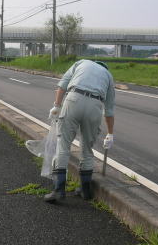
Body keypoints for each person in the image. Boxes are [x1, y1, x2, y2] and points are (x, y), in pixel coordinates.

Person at [45, 60, 115, 203]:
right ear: (104, 67)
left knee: (63, 145)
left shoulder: (81, 63)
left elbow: (62, 85)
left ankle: (59, 190)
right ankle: (85, 191)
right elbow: (109, 110)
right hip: (95, 106)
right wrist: (110, 134)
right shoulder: (108, 75)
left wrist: (57, 106)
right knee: (87, 149)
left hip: (74, 99)